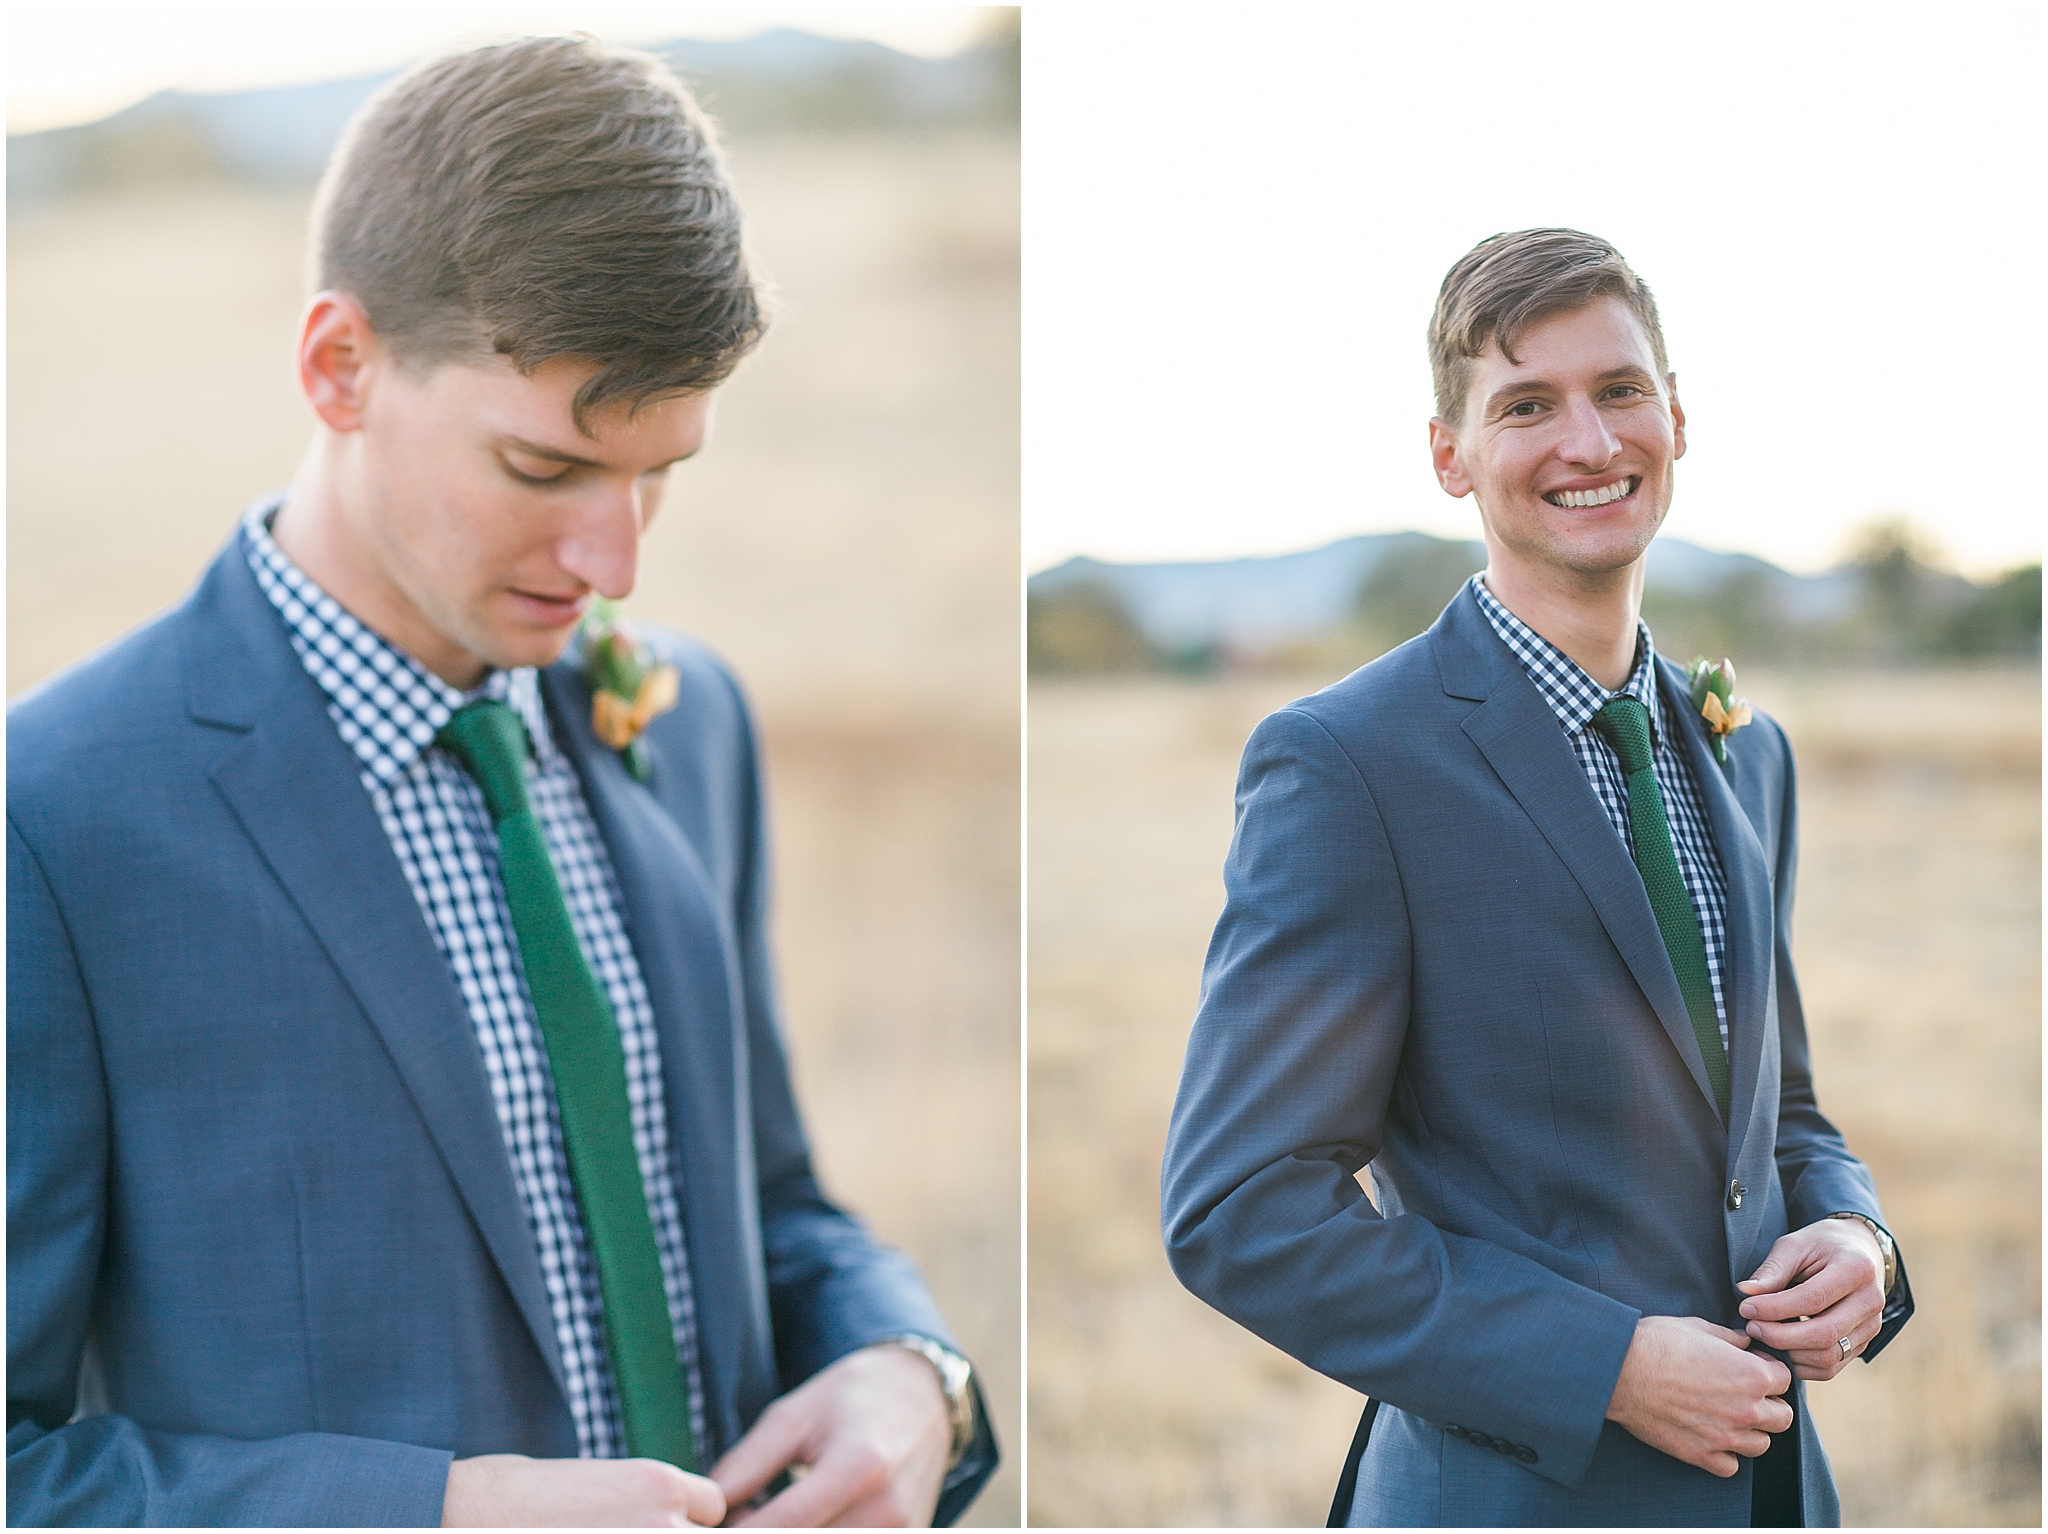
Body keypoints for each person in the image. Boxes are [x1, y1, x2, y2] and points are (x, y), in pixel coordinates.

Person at [8, 37, 994, 1528]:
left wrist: (907, 1364)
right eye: (544, 472)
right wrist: (438, 1512)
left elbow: (772, 1199)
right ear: (339, 366)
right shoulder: (53, 818)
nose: (617, 563)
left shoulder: (695, 721)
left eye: (663, 471)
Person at [1160, 228, 1911, 1527]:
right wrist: (1604, 1366)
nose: (1590, 440)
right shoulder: (1348, 765)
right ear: (1450, 454)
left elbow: (1780, 1116)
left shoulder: (1750, 751)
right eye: (1526, 404)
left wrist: (1860, 1239)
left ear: (1676, 415)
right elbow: (1241, 1207)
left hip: (1776, 1491)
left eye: (1620, 389)